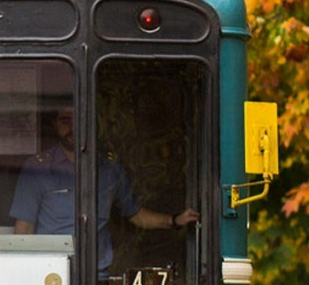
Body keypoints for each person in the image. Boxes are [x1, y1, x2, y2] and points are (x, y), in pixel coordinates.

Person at [10, 107, 198, 269]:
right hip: (51, 273)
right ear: (55, 125)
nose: (72, 128)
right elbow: (24, 229)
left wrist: (175, 220)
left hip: (96, 278)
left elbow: (136, 215)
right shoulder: (38, 168)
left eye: (78, 120)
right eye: (65, 121)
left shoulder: (109, 167)